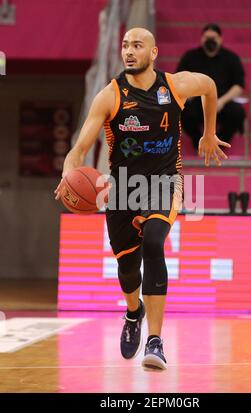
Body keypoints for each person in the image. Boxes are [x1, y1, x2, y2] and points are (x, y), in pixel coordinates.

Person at [54, 27, 230, 370]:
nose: (129, 51)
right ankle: (133, 312)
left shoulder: (174, 86)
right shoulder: (109, 96)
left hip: (165, 182)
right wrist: (68, 172)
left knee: (153, 243)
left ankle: (155, 340)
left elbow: (209, 86)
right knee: (127, 269)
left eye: (137, 45)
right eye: (125, 45)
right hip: (122, 189)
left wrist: (209, 133)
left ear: (153, 53)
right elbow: (79, 149)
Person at [177, 23, 246, 149]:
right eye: (206, 37)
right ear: (201, 38)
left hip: (222, 101)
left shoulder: (232, 58)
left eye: (213, 38)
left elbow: (239, 85)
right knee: (184, 112)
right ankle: (198, 141)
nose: (210, 41)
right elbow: (179, 80)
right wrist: (188, 93)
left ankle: (219, 143)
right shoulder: (190, 57)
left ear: (220, 39)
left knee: (237, 113)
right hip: (197, 100)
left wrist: (221, 101)